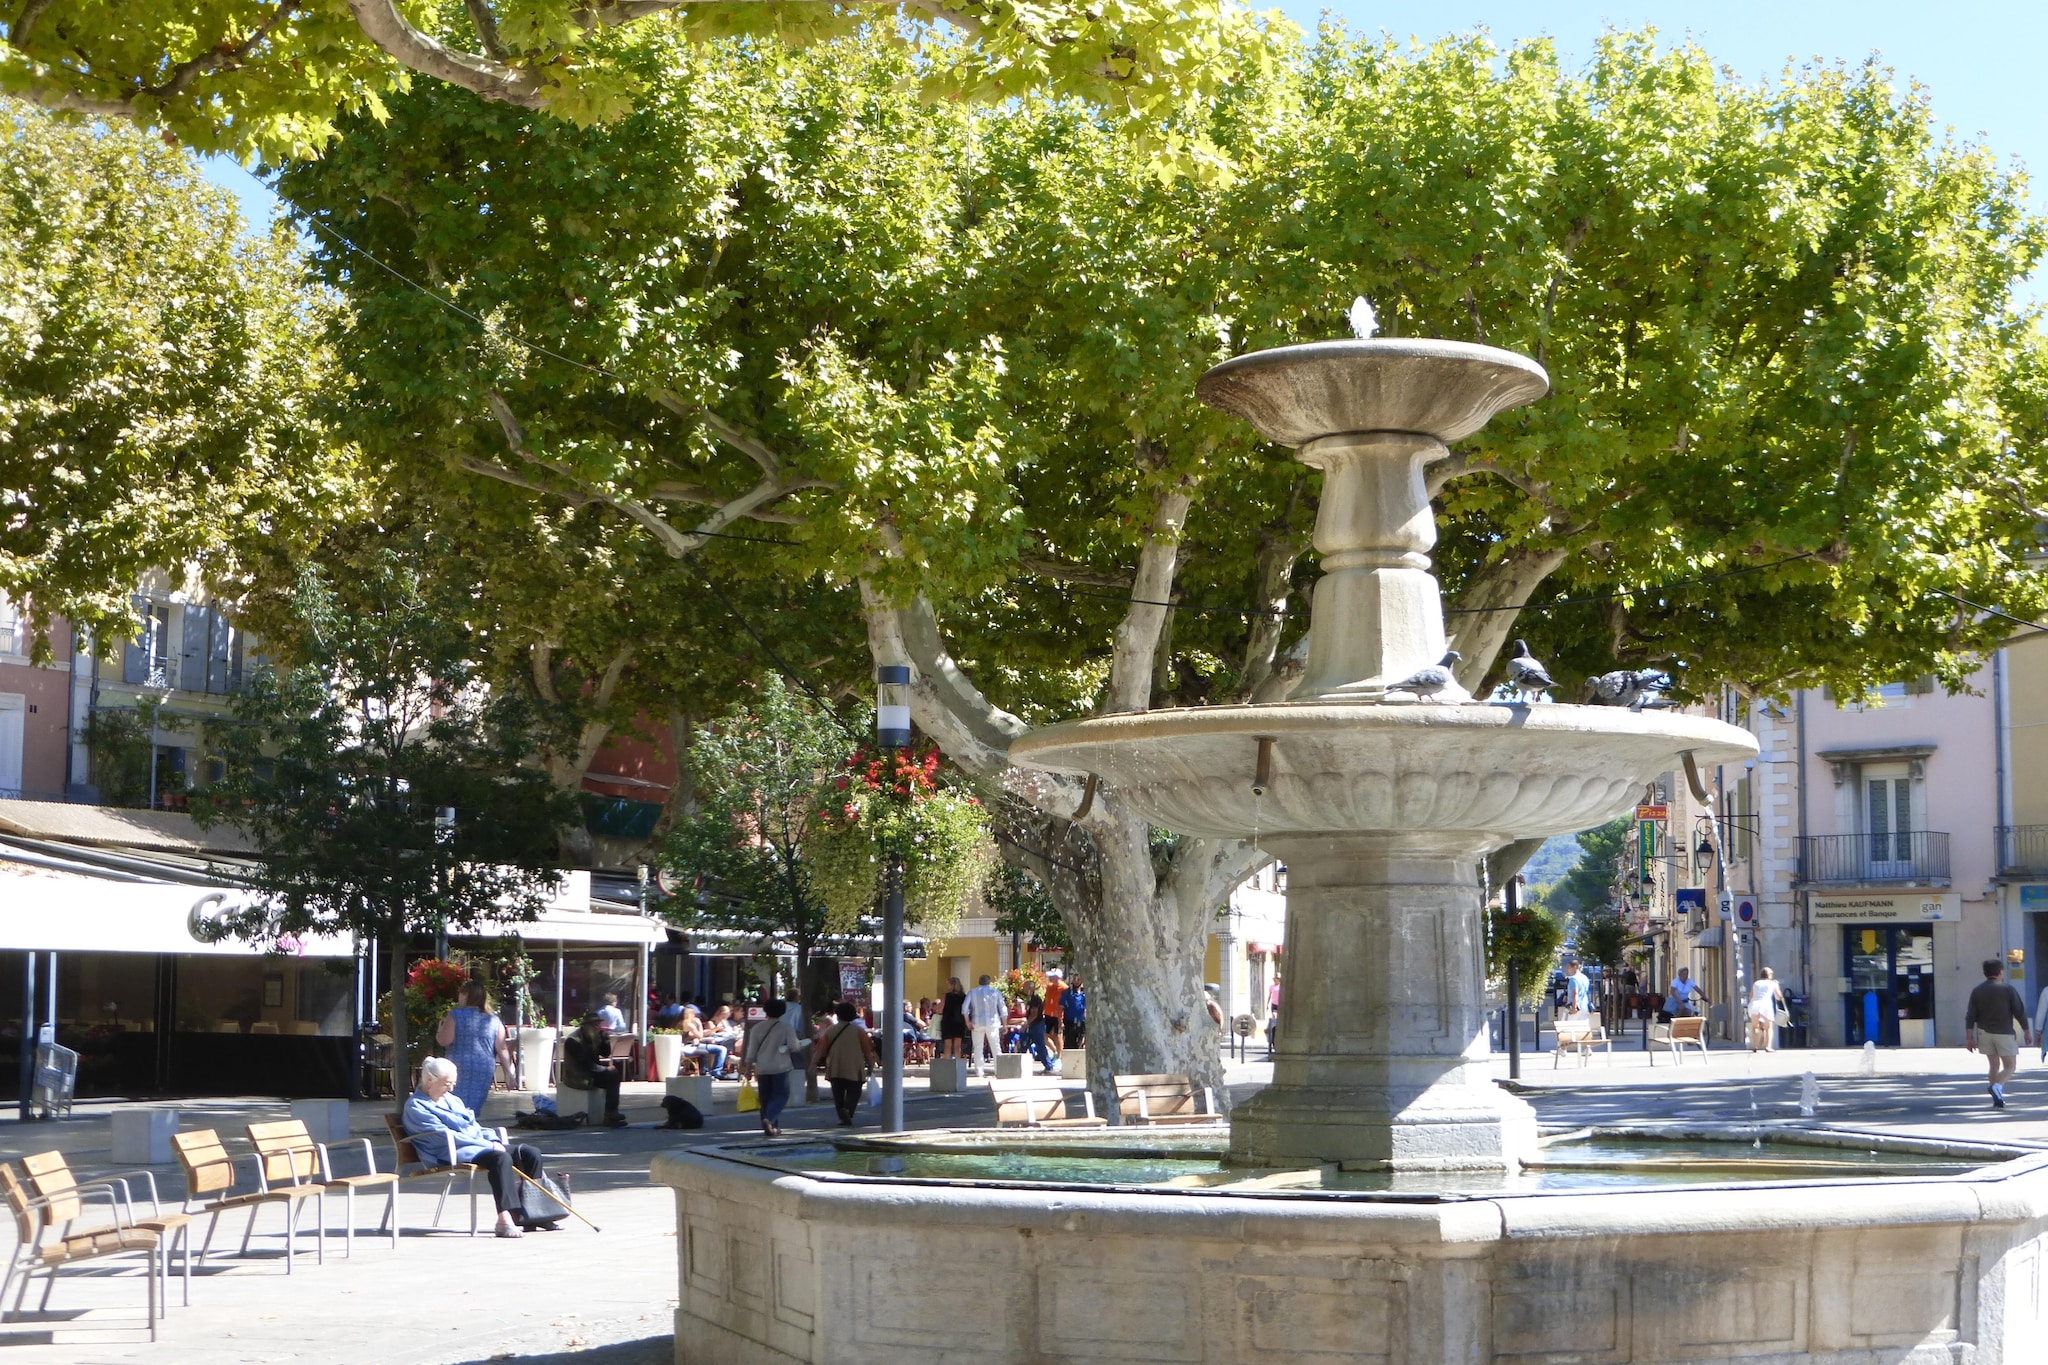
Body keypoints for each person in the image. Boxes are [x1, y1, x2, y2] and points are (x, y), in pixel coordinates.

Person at [403, 1056, 550, 1238]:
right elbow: (445, 1137)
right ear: (429, 1080)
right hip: (451, 1152)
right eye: (447, 1083)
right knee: (500, 1158)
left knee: (530, 1153)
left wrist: (492, 1139)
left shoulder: (452, 1100)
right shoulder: (416, 1107)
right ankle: (504, 1219)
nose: (451, 1088)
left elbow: (473, 1127)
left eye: (453, 1083)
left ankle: (535, 1213)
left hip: (476, 1146)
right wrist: (489, 1145)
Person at [435, 980, 511, 1116]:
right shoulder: (493, 1019)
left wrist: (439, 1030)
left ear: (466, 995)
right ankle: (469, 1127)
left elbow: (444, 1041)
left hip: (457, 1065)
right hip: (483, 1067)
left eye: (461, 994)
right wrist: (508, 1073)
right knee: (472, 1108)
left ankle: (456, 1132)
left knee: (454, 1104)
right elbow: (502, 1048)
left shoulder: (455, 1015)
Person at [1966, 957, 2031, 1110]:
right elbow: (2019, 1012)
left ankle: (1997, 1099)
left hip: (1983, 1033)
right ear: (2000, 972)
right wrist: (2026, 1031)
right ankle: (1997, 1087)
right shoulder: (2007, 989)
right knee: (2010, 1066)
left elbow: (1970, 1016)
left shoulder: (1977, 991)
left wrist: (1969, 1037)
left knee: (1993, 1065)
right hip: (2004, 1033)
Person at [739, 998, 804, 1136]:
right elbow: (793, 1047)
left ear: (765, 1010)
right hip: (781, 1067)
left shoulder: (757, 1028)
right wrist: (800, 1044)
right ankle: (769, 1118)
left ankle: (771, 1127)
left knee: (765, 1098)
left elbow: (751, 1051)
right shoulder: (786, 1028)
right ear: (783, 1012)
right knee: (781, 1095)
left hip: (762, 1067)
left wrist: (748, 1069)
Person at [816, 1000, 880, 1125]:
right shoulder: (859, 1031)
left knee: (837, 1093)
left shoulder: (830, 1031)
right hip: (855, 1066)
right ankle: (848, 1110)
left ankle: (841, 1114)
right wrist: (871, 1065)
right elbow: (867, 1050)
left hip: (835, 1066)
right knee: (855, 1091)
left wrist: (813, 1064)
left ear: (837, 1015)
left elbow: (821, 1050)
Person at [562, 1013, 629, 1127]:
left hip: (590, 1072)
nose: (597, 1028)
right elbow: (585, 1063)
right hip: (578, 1075)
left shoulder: (594, 1036)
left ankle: (611, 1113)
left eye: (598, 1025)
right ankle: (610, 1114)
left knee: (613, 1075)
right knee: (611, 1076)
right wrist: (605, 1069)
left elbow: (605, 1053)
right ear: (585, 1026)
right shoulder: (573, 1040)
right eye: (594, 1025)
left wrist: (605, 1040)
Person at [964, 974, 1005, 1077]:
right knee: (995, 1046)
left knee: (978, 1047)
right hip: (993, 1022)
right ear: (989, 982)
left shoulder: (972, 992)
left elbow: (964, 1008)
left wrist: (967, 1022)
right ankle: (999, 1069)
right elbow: (1003, 1009)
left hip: (977, 1022)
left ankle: (979, 1070)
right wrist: (1005, 1024)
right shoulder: (995, 992)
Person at [679, 1004, 728, 1078]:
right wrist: (699, 1024)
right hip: (690, 1047)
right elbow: (700, 1035)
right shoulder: (689, 1025)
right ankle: (714, 1071)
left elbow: (691, 1035)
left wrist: (695, 1037)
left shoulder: (680, 1023)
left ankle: (710, 1071)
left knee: (720, 1049)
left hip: (689, 1045)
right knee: (721, 1049)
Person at [1746, 967, 1787, 1052]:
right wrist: (1777, 986)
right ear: (1769, 975)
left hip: (1754, 1004)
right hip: (1766, 1005)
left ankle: (1755, 1046)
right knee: (1769, 1027)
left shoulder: (1756, 983)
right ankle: (1768, 1046)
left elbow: (1751, 996)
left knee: (1755, 1027)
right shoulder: (1773, 984)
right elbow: (1779, 997)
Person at [1022, 991, 1055, 1074]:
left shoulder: (1035, 998)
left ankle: (1049, 1066)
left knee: (1040, 1046)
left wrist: (1026, 1024)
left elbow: (1034, 1013)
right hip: (1032, 1025)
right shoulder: (1029, 999)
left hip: (1036, 1025)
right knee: (1023, 1045)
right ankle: (1018, 1066)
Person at [939, 977, 968, 1060]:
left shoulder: (946, 996)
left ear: (952, 985)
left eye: (948, 984)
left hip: (947, 1022)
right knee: (957, 1046)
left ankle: (947, 1066)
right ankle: (958, 1066)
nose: (946, 986)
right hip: (959, 1022)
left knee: (947, 1045)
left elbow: (940, 1010)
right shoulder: (964, 997)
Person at [1042, 971, 1065, 1058]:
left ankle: (1060, 1056)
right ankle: (1055, 1051)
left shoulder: (1064, 988)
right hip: (1048, 1014)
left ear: (1057, 977)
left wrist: (1061, 1019)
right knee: (1044, 1036)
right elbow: (1045, 999)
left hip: (1058, 1015)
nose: (1049, 978)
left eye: (1052, 976)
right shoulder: (1049, 987)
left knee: (1058, 1036)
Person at [1062, 978, 1086, 1050]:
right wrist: (1060, 1021)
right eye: (1074, 979)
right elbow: (1061, 1007)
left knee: (1079, 1042)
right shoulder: (1067, 992)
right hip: (1069, 1022)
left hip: (1081, 1022)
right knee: (1069, 1042)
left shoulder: (1084, 993)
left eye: (1078, 979)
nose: (1076, 981)